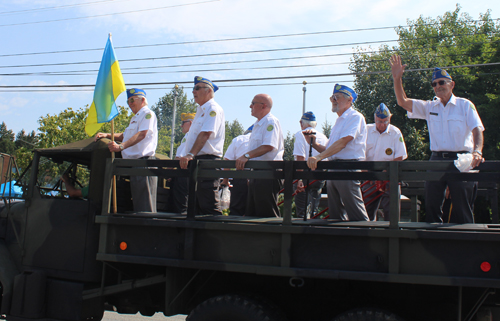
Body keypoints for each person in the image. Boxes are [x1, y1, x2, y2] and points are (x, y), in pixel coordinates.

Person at [390, 54, 485, 224]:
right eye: (434, 84)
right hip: (436, 160)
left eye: (442, 82)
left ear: (452, 84)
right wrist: (397, 79)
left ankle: (468, 244)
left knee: (462, 207)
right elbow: (402, 102)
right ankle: (434, 242)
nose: (438, 86)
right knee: (432, 204)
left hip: (461, 159)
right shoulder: (429, 106)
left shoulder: (465, 104)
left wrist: (477, 151)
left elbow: (477, 129)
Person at [305, 84, 369, 221]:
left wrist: (319, 157)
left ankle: (370, 239)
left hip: (347, 168)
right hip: (334, 168)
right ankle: (342, 241)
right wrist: (314, 144)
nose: (333, 100)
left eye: (337, 97)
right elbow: (330, 151)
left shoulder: (355, 117)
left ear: (349, 100)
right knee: (336, 214)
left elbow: (343, 142)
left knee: (356, 213)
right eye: (332, 98)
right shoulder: (339, 122)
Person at [95, 88, 158, 212]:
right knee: (138, 203)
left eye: (132, 100)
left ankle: (148, 229)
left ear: (143, 100)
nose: (130, 104)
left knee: (145, 206)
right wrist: (106, 135)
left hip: (143, 163)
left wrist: (121, 147)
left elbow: (142, 134)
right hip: (135, 164)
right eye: (128, 101)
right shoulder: (135, 118)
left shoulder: (147, 114)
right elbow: (125, 136)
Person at [179, 77, 225, 215]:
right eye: (193, 88)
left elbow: (205, 134)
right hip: (199, 161)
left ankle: (215, 235)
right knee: (197, 206)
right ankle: (201, 236)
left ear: (209, 91)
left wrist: (190, 155)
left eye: (197, 88)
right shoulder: (201, 110)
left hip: (208, 160)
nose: (193, 91)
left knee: (209, 205)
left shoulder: (212, 108)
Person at [235, 94, 284, 218]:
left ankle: (274, 236)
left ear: (264, 106)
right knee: (254, 211)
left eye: (253, 103)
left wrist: (246, 155)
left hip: (268, 172)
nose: (250, 106)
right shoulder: (258, 124)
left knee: (266, 212)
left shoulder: (270, 121)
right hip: (258, 172)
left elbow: (269, 145)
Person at [363, 103, 407, 221]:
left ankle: (391, 234)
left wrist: (386, 172)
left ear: (389, 119)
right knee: (366, 208)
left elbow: (400, 156)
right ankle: (366, 233)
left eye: (385, 122)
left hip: (390, 173)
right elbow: (359, 153)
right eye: (379, 121)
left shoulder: (395, 132)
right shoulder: (366, 130)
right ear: (374, 119)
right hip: (369, 174)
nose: (382, 125)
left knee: (391, 208)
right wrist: (365, 172)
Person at [293, 111, 328, 218]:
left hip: (305, 174)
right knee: (314, 208)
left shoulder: (300, 134)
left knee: (302, 211)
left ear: (301, 123)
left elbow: (300, 158)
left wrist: (299, 179)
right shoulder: (323, 136)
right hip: (320, 175)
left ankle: (302, 231)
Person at [222, 125, 253, 216]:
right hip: (259, 178)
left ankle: (234, 227)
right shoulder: (261, 141)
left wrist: (225, 181)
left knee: (236, 209)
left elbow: (227, 160)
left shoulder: (239, 139)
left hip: (241, 176)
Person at [170, 112, 195, 214]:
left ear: (190, 123)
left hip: (184, 173)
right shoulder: (194, 136)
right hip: (191, 172)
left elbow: (179, 157)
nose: (181, 126)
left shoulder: (189, 135)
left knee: (181, 204)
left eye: (183, 123)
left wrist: (169, 171)